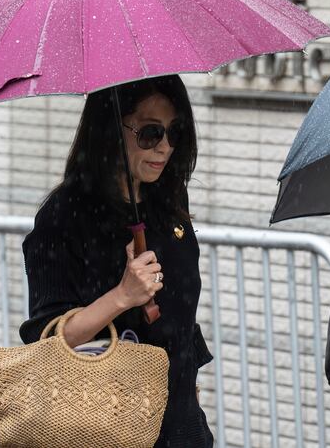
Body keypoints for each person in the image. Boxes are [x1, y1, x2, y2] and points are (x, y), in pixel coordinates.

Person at [19, 75, 214, 447]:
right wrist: (122, 295)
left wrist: (188, 393)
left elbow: (179, 314)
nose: (165, 148)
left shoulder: (169, 203)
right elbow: (47, 341)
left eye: (176, 132)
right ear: (112, 129)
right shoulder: (63, 216)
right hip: (106, 425)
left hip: (181, 426)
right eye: (150, 133)